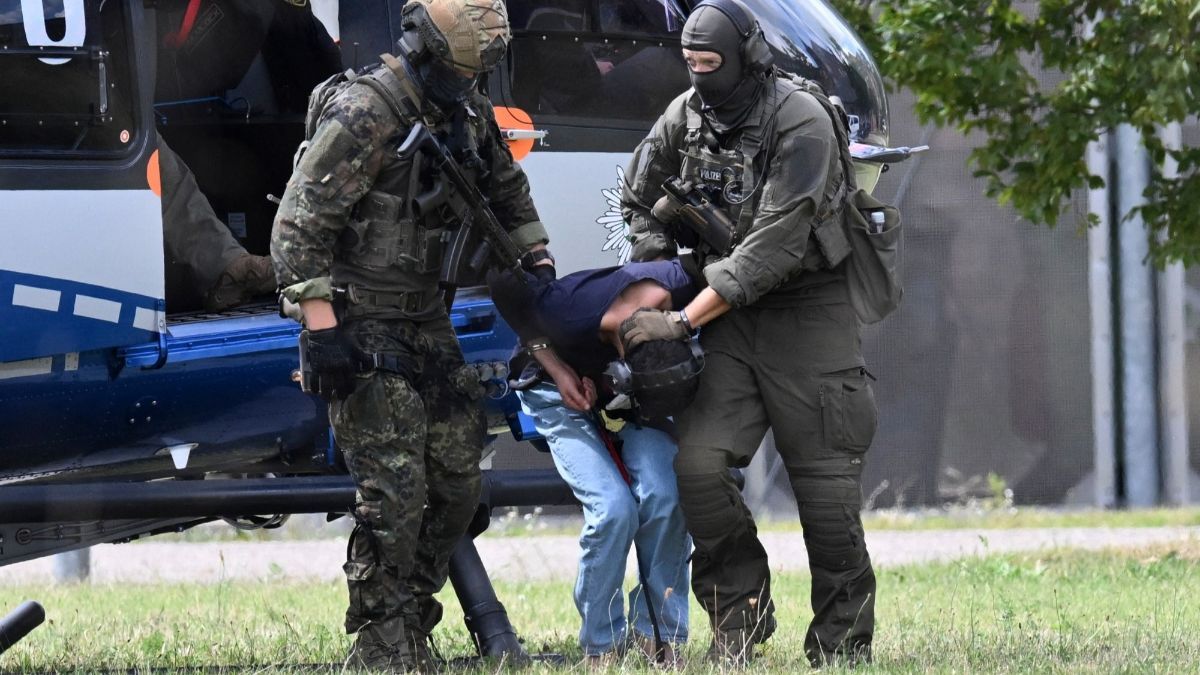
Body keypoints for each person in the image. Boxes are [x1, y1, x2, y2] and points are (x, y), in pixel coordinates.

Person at [270, 0, 552, 669]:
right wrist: (321, 329)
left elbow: (506, 189)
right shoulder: (365, 115)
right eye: (464, 70)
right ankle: (381, 643)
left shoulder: (464, 110)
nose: (472, 83)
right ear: (426, 51)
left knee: (458, 482)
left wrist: (535, 258)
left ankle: (407, 619)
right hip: (361, 322)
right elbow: (297, 227)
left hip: (426, 319)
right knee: (393, 496)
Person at [619, 0, 879, 667]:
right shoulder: (686, 115)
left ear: (748, 57)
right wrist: (660, 269)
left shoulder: (802, 120)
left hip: (807, 311)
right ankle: (739, 621)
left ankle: (842, 644)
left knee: (825, 493)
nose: (702, 78)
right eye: (692, 65)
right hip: (731, 317)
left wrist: (679, 318)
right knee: (699, 467)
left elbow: (771, 248)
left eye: (714, 65)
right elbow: (635, 194)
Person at [489, 259, 696, 667]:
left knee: (666, 495)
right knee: (613, 509)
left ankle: (659, 636)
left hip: (643, 397)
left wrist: (689, 319)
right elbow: (503, 284)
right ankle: (601, 644)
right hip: (556, 387)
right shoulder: (568, 310)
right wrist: (557, 365)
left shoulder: (683, 281)